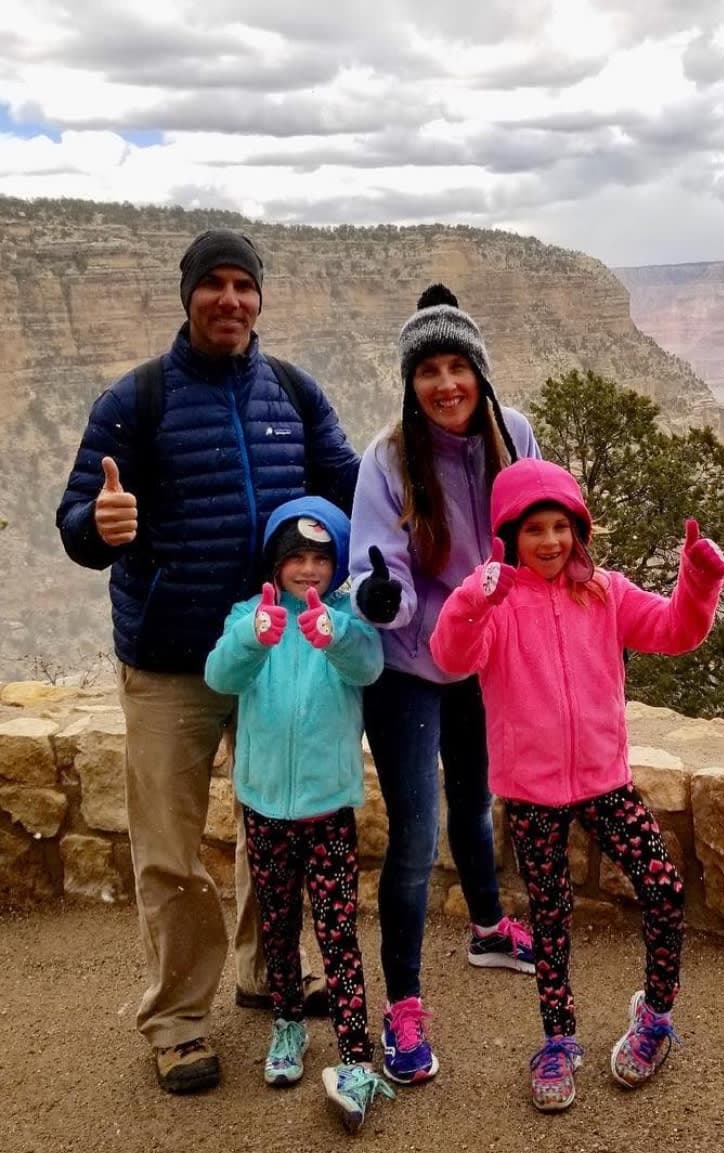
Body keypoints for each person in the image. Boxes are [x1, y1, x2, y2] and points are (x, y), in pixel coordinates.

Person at [55, 229, 361, 1094]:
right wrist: (99, 526)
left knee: (279, 820)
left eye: (243, 284)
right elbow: (78, 518)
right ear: (187, 294)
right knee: (169, 848)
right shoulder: (137, 399)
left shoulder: (293, 392)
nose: (230, 299)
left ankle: (270, 970)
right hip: (171, 663)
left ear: (260, 297)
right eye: (214, 284)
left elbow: (351, 488)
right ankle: (180, 1019)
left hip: (274, 661)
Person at [430, 458, 724, 1112]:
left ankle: (655, 1015)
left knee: (663, 887)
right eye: (534, 529)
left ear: (579, 530)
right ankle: (558, 1041)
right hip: (531, 793)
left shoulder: (605, 592)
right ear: (510, 536)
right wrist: (474, 597)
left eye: (560, 526)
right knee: (551, 917)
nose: (550, 541)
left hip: (604, 782)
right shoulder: (497, 606)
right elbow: (450, 656)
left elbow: (675, 629)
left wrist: (700, 580)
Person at [347, 284, 541, 1085]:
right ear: (411, 380)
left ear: (480, 371)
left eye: (458, 365)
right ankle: (402, 1005)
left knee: (476, 798)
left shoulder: (513, 436)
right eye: (429, 369)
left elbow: (534, 530)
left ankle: (488, 928)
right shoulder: (389, 457)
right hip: (408, 665)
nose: (446, 383)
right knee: (417, 835)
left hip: (481, 654)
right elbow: (376, 562)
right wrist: (380, 596)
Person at [205, 496, 394, 1132]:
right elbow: (219, 676)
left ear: (336, 565)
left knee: (339, 931)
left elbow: (369, 666)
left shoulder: (347, 618)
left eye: (320, 558)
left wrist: (333, 634)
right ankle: (288, 1023)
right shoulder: (249, 615)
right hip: (264, 807)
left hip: (327, 809)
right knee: (279, 924)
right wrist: (252, 640)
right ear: (275, 562)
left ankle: (355, 1051)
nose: (308, 569)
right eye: (296, 557)